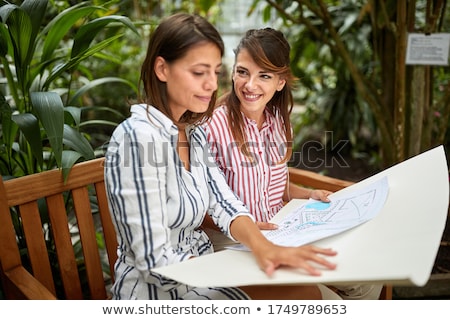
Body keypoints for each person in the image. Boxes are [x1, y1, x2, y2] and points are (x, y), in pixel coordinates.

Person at [104, 13, 339, 300]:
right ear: (162, 69)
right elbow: (154, 264)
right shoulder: (136, 138)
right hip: (160, 293)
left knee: (306, 292)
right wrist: (236, 267)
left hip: (204, 272)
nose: (213, 86)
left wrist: (265, 247)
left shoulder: (192, 134)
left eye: (215, 73)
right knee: (305, 296)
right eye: (198, 72)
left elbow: (225, 202)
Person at [202, 27, 382, 300]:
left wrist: (309, 194)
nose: (250, 85)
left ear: (280, 81)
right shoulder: (213, 127)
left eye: (264, 75)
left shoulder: (278, 123)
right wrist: (244, 228)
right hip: (234, 243)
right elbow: (200, 205)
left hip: (283, 232)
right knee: (329, 302)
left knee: (370, 282)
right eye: (242, 72)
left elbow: (277, 185)